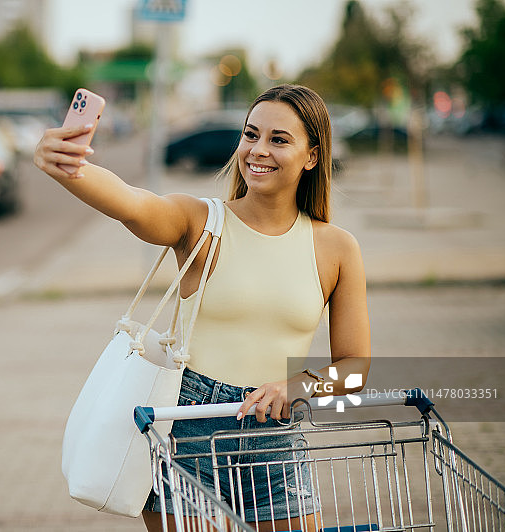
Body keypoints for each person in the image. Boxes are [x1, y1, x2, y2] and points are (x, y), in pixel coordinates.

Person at [34, 84, 371, 531]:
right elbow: (133, 204)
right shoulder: (201, 222)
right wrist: (69, 168)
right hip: (188, 430)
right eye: (251, 134)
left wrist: (299, 387)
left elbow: (354, 368)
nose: (258, 150)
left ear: (312, 156)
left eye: (279, 139)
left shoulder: (337, 248)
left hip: (276, 438)